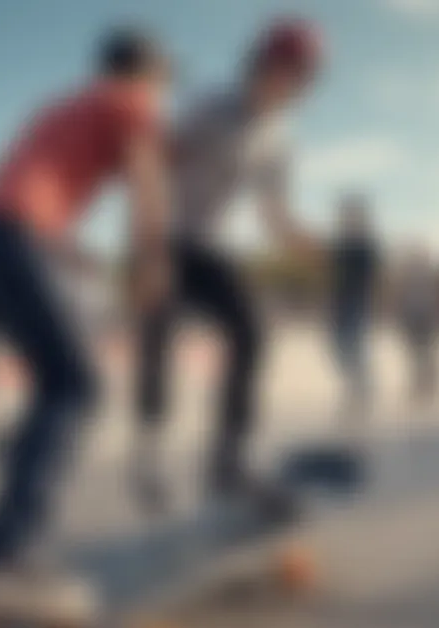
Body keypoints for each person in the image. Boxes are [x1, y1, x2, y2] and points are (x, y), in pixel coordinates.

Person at [0, 28, 172, 593]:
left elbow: (21, 184)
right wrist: (149, 262)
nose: (160, 99)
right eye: (163, 84)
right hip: (12, 238)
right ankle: (9, 548)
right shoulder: (132, 99)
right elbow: (149, 185)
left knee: (57, 385)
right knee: (77, 385)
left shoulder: (60, 108)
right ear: (149, 73)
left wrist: (71, 250)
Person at [134, 18, 324, 510]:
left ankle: (228, 462)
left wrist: (300, 239)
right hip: (165, 239)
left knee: (252, 334)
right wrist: (148, 247)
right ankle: (149, 454)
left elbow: (273, 214)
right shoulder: (208, 107)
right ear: (259, 65)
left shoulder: (280, 138)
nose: (287, 87)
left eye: (300, 79)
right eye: (281, 72)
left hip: (210, 248)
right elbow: (153, 161)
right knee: (159, 335)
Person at [330, 193, 380, 415]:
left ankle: (360, 384)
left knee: (352, 343)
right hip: (340, 299)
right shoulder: (341, 243)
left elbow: (370, 275)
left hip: (357, 300)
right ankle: (357, 381)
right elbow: (333, 272)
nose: (346, 218)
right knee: (338, 344)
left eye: (350, 214)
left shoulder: (365, 244)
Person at [396, 243, 439, 403]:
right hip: (416, 315)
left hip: (422, 315)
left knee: (421, 350)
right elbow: (401, 295)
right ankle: (424, 380)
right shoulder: (417, 273)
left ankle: (427, 380)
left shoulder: (422, 273)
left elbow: (402, 295)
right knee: (419, 350)